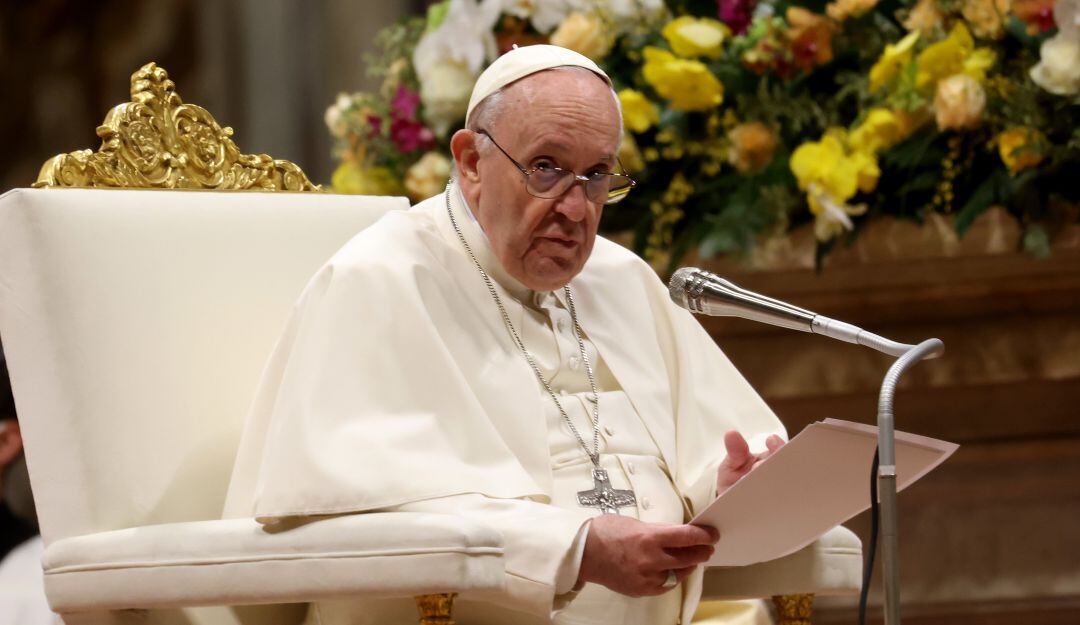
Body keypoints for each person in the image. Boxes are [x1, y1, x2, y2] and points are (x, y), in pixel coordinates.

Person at [225, 45, 786, 625]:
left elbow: (711, 455)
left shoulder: (621, 277)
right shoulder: (381, 278)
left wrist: (725, 484)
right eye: (547, 168)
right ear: (471, 162)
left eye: (597, 177)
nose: (575, 208)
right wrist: (574, 549)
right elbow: (367, 515)